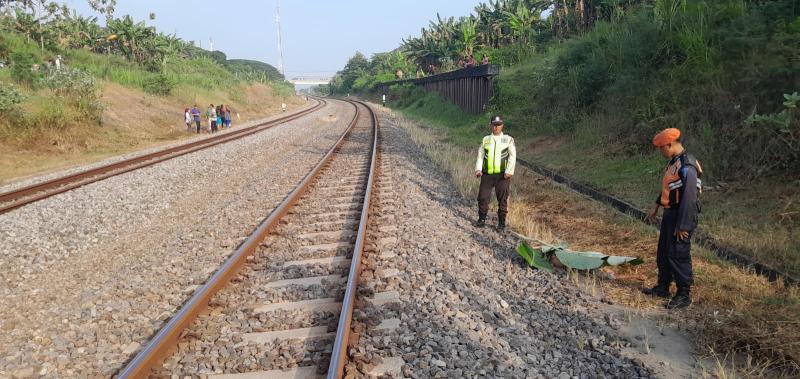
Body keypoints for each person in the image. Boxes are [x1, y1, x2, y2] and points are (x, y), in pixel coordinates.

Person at [643, 128, 703, 309]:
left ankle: (684, 294)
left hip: (682, 214)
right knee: (664, 252)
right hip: (670, 213)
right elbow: (670, 186)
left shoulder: (688, 166)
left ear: (670, 144)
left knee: (678, 254)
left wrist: (683, 225)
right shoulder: (674, 162)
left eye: (662, 148)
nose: (661, 152)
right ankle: (663, 287)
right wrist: (657, 204)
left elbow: (689, 198)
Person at [474, 115, 516, 231]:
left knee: (502, 199)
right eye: (494, 125)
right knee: (482, 197)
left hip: (502, 175)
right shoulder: (485, 139)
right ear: (490, 125)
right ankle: (481, 219)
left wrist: (509, 171)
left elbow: (512, 156)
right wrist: (478, 169)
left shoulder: (508, 139)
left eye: (498, 125)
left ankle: (501, 224)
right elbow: (480, 155)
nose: (496, 127)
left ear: (502, 125)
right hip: (487, 174)